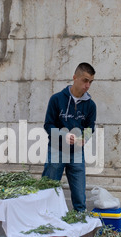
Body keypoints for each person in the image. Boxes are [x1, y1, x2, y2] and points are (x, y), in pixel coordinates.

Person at [42, 62, 96, 212]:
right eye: (85, 80)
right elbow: (48, 125)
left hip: (77, 153)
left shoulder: (91, 105)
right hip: (56, 151)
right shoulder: (57, 99)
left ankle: (79, 229)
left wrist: (84, 137)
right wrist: (63, 136)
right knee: (48, 190)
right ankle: (44, 223)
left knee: (80, 197)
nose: (88, 85)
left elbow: (90, 127)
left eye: (90, 82)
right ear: (74, 77)